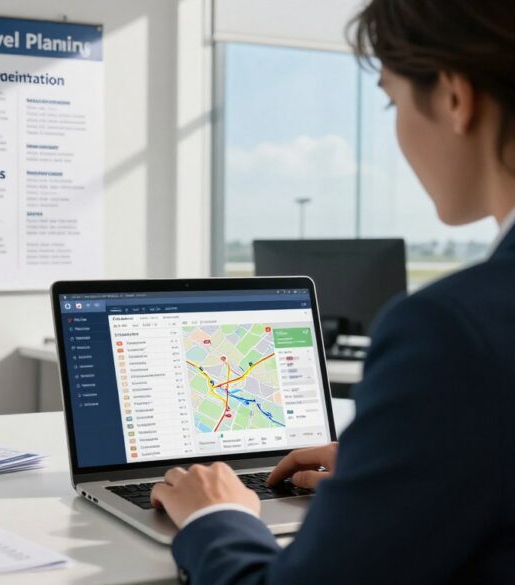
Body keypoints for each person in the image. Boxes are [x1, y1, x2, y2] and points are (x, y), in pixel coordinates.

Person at [149, 1, 515, 583]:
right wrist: (399, 470)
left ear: (453, 97)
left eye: (392, 102)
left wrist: (215, 516)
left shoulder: (450, 330)